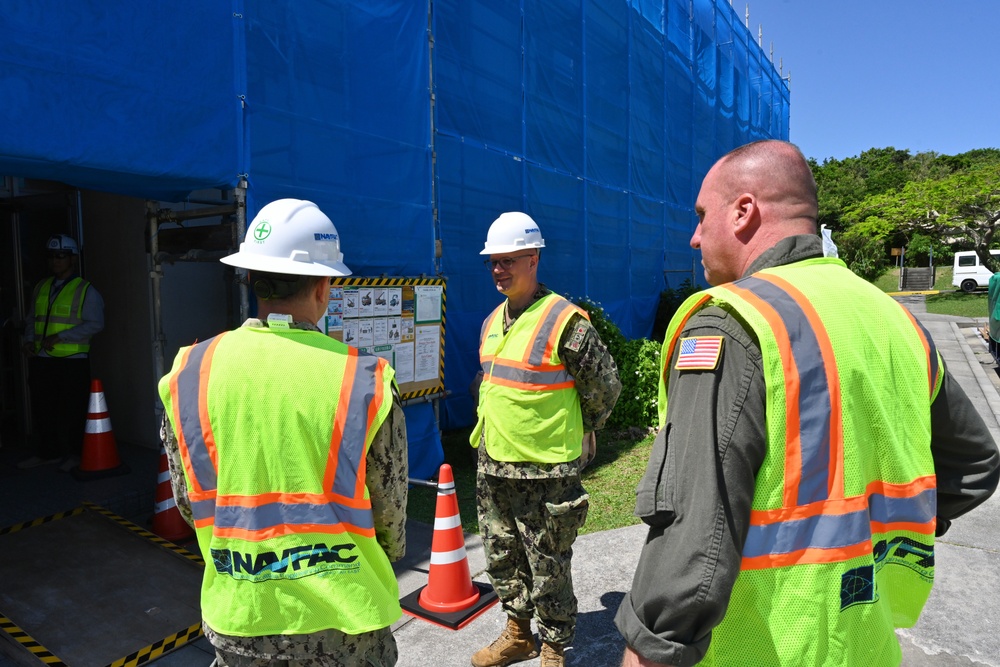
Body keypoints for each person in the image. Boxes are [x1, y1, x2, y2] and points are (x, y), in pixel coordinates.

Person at [615, 140, 1000, 667]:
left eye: (703, 216)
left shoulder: (731, 321)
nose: (694, 236)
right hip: (867, 643)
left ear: (745, 212)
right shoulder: (893, 318)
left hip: (762, 647)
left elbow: (694, 540)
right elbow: (975, 465)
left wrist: (649, 650)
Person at [157, 199, 407, 667]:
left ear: (252, 279)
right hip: (345, 623)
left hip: (240, 617)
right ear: (325, 285)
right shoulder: (364, 380)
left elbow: (189, 501)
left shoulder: (190, 371)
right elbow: (390, 516)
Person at [470, 211, 622, 667]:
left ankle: (554, 644)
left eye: (509, 260)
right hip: (494, 461)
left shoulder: (566, 320)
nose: (499, 269)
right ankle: (518, 633)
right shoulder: (492, 319)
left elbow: (604, 386)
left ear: (534, 258)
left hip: (546, 468)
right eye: (493, 262)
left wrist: (586, 429)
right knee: (501, 555)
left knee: (548, 562)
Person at [19, 234, 105, 471]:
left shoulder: (85, 290)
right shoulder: (41, 286)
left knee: (73, 410)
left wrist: (61, 337)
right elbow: (31, 319)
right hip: (42, 359)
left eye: (61, 256)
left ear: (73, 259)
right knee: (43, 408)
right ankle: (49, 453)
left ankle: (76, 455)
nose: (56, 260)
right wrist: (28, 340)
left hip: (71, 361)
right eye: (51, 256)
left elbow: (95, 323)